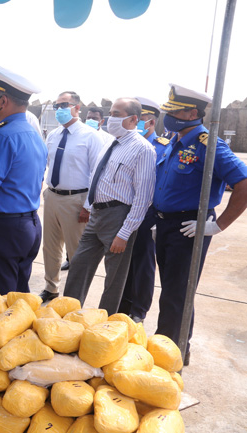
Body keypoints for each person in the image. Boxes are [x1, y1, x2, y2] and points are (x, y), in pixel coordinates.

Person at [153, 84, 247, 364]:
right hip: (167, 224)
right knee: (170, 289)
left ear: (192, 112)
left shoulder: (209, 143)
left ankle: (172, 352)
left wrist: (218, 226)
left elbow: (243, 184)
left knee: (177, 293)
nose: (167, 118)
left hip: (190, 226)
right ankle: (167, 344)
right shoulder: (175, 140)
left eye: (174, 112)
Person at [63, 97, 156, 315]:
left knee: (114, 279)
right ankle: (68, 315)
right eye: (111, 113)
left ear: (133, 119)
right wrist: (88, 206)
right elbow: (98, 177)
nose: (110, 118)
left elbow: (143, 198)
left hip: (119, 216)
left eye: (116, 114)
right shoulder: (109, 142)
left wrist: (124, 233)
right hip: (97, 214)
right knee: (79, 266)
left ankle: (104, 326)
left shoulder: (143, 149)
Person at [0, 65, 47, 295]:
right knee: (16, 301)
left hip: (3, 229)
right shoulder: (35, 135)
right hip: (29, 225)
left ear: (3, 101)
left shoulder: (1, 136)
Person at [39, 91, 105, 303]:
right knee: (50, 247)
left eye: (64, 105)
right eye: (57, 106)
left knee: (77, 251)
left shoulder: (90, 136)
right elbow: (47, 165)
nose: (60, 110)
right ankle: (51, 287)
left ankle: (74, 297)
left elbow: (97, 173)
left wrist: (88, 205)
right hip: (52, 197)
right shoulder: (53, 135)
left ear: (77, 108)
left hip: (77, 200)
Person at [118, 97, 170, 322]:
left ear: (149, 122)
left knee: (143, 262)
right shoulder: (125, 143)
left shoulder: (161, 147)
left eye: (140, 120)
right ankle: (122, 304)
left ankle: (139, 309)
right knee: (123, 261)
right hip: (123, 211)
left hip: (147, 215)